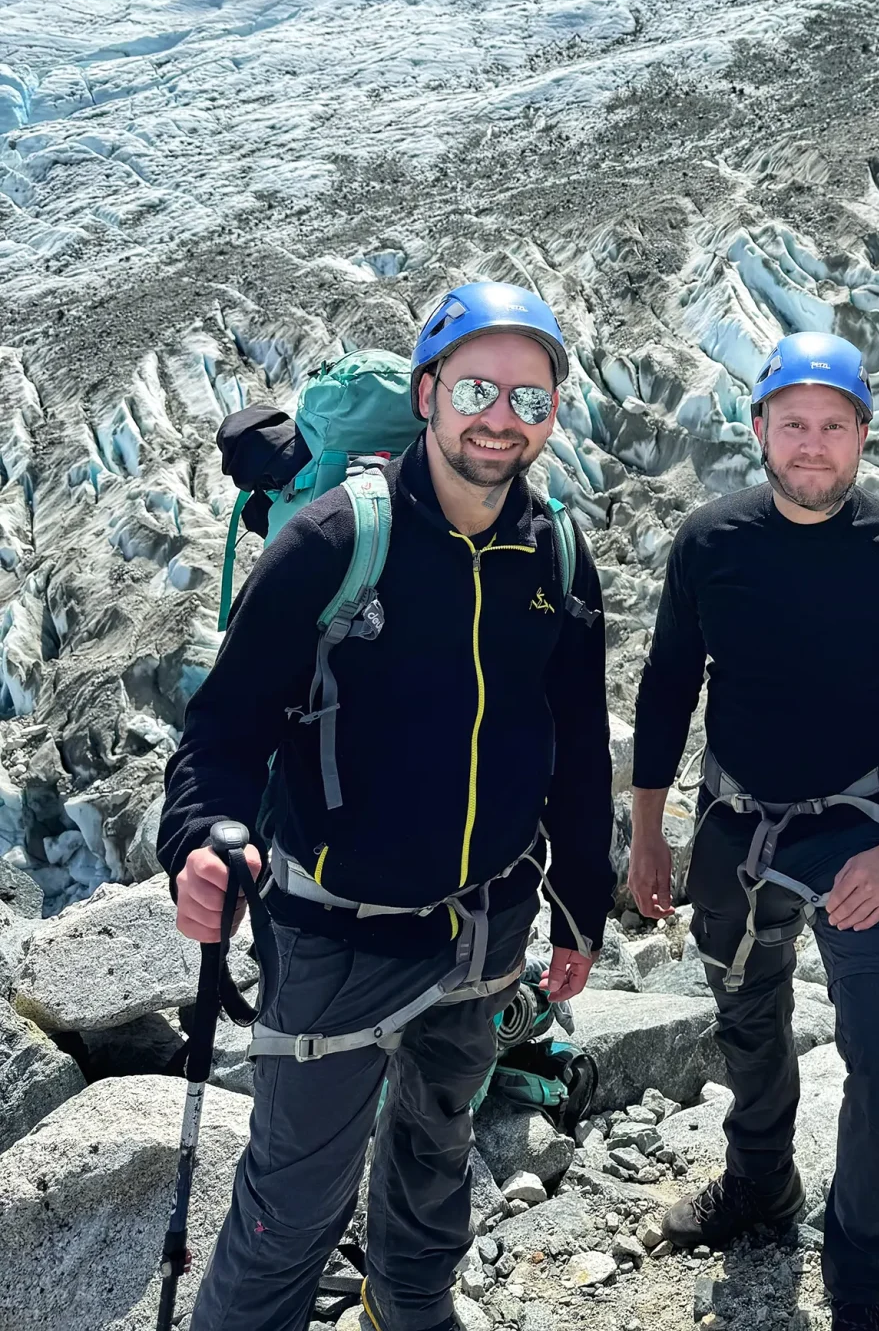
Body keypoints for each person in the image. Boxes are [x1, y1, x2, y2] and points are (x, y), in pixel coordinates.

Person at [158, 281, 614, 1331]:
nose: (500, 416)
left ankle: (410, 1301)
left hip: (489, 921)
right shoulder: (331, 540)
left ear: (551, 416)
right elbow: (223, 732)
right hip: (337, 929)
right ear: (427, 392)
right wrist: (197, 840)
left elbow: (578, 746)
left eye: (528, 398)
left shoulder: (555, 553)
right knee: (292, 1202)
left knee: (438, 1137)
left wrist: (580, 906)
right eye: (477, 387)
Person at [627, 332, 879, 1331]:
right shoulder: (710, 541)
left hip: (860, 831)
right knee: (747, 1020)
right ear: (757, 428)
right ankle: (760, 1182)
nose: (811, 443)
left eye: (833, 425)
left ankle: (859, 1282)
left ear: (863, 435)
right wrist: (648, 830)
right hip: (735, 825)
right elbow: (668, 685)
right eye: (792, 422)